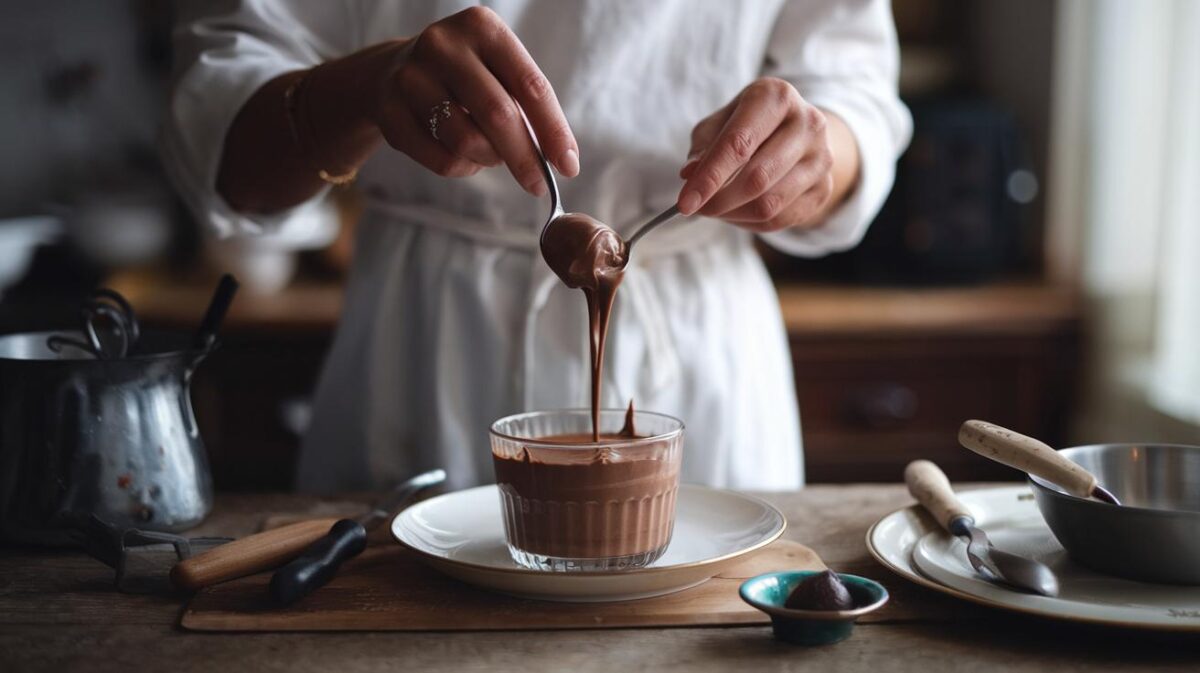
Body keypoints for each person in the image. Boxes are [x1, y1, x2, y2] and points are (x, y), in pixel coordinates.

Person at [163, 0, 911, 492]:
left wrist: (821, 151)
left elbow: (854, 89)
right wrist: (366, 87)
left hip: (694, 349)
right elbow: (222, 144)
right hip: (425, 343)